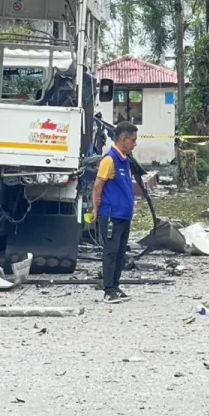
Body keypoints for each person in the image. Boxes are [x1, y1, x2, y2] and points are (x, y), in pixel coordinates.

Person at [91, 121, 139, 303]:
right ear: (123, 139)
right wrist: (96, 209)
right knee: (111, 251)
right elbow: (98, 185)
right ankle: (108, 289)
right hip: (111, 214)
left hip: (124, 215)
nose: (135, 143)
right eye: (133, 140)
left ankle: (116, 286)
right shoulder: (109, 160)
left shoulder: (125, 160)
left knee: (120, 252)